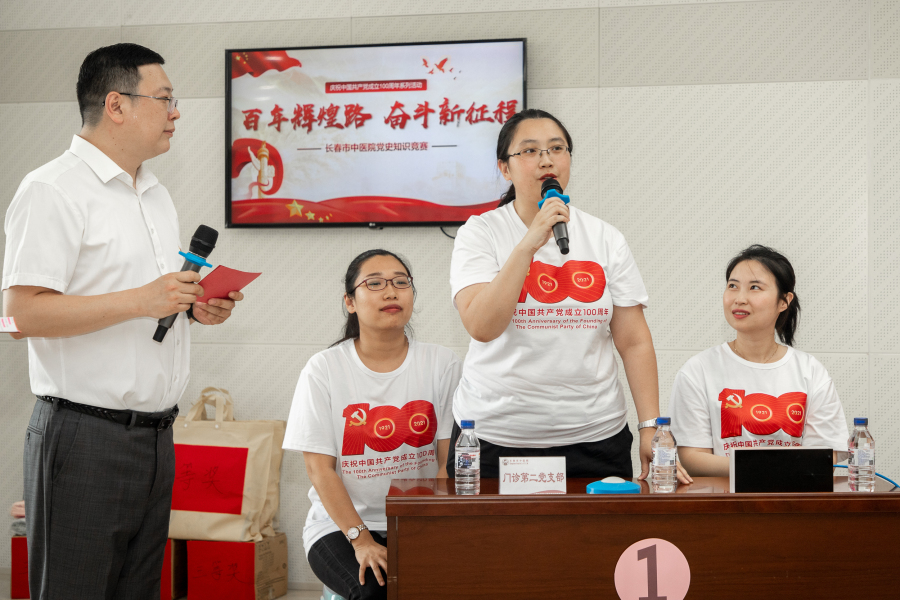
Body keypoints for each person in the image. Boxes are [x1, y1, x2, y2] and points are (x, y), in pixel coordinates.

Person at [2, 44, 243, 599]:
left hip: (156, 438)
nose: (176, 112)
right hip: (84, 437)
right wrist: (142, 300)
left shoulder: (154, 194)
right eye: (165, 99)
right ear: (116, 105)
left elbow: (149, 304)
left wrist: (192, 308)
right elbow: (18, 314)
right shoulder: (52, 189)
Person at [448, 108, 689, 483]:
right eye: (530, 150)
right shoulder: (481, 233)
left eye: (557, 148)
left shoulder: (605, 237)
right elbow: (482, 325)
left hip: (595, 438)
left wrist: (649, 426)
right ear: (505, 168)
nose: (546, 160)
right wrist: (529, 243)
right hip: (496, 437)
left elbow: (633, 340)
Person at [283, 249, 461, 600]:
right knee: (374, 593)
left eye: (401, 282)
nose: (391, 292)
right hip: (340, 528)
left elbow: (447, 463)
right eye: (375, 283)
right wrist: (361, 540)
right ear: (350, 302)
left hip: (418, 520)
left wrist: (433, 532)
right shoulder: (324, 369)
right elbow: (319, 470)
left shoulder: (442, 364)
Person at [670, 245, 849, 475]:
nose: (739, 299)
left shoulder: (810, 371)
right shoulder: (698, 370)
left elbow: (825, 454)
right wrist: (765, 469)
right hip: (723, 496)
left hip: (792, 497)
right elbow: (692, 457)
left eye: (755, 287)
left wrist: (762, 469)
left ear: (784, 301)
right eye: (733, 286)